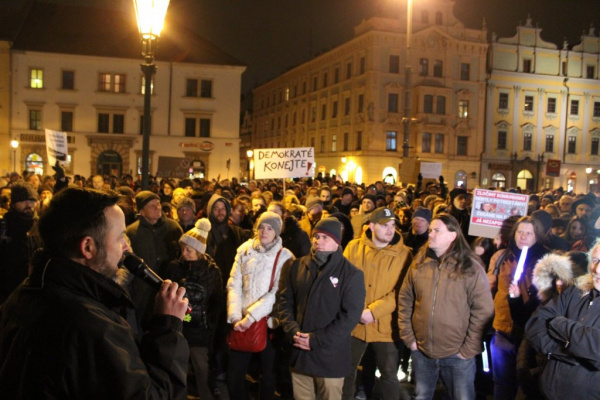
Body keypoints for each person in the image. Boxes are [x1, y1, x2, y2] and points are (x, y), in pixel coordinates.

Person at [0, 187, 190, 398]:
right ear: (88, 247)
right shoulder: (91, 327)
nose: (126, 247)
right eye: (120, 237)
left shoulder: (25, 292)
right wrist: (168, 328)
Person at [398, 213, 494, 400]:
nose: (430, 234)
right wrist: (409, 337)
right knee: (422, 396)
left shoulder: (470, 267)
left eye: (437, 231)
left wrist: (468, 348)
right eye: (431, 230)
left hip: (457, 355)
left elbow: (483, 310)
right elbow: (405, 299)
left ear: (453, 235)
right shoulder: (419, 263)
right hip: (422, 351)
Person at [278, 217, 366, 400]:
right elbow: (285, 301)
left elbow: (349, 317)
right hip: (299, 352)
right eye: (316, 236)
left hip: (330, 357)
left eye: (326, 238)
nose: (319, 241)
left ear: (337, 242)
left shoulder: (351, 274)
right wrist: (292, 331)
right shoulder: (297, 265)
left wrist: (316, 340)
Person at [341, 208, 412, 400]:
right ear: (371, 226)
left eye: (392, 225)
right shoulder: (353, 248)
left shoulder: (405, 254)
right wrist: (357, 310)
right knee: (346, 370)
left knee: (389, 374)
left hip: (386, 325)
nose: (390, 230)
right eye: (384, 225)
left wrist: (373, 312)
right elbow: (343, 281)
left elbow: (401, 291)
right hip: (354, 323)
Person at [227, 211, 294, 400]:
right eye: (261, 227)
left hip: (267, 324)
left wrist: (252, 317)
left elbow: (277, 292)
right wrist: (235, 316)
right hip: (240, 322)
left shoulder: (285, 256)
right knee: (235, 375)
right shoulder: (244, 249)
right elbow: (234, 284)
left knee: (268, 374)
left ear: (277, 232)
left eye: (270, 228)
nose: (264, 232)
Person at [525, 241, 600, 399]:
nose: (597, 269)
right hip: (547, 393)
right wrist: (574, 352)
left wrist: (558, 323)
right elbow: (535, 326)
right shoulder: (576, 291)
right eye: (595, 261)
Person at [488, 215, 550, 400]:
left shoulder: (545, 262)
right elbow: (488, 288)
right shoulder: (501, 257)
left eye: (528, 233)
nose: (523, 236)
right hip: (502, 330)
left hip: (530, 335)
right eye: (520, 232)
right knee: (501, 381)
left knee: (526, 385)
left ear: (537, 236)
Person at [165, 218, 223, 400]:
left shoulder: (212, 271)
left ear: (199, 251)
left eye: (189, 250)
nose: (184, 253)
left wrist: (209, 323)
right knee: (177, 369)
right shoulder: (175, 268)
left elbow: (217, 301)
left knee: (202, 369)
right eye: (183, 248)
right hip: (179, 326)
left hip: (199, 330)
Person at [126, 191, 183, 331]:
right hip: (142, 294)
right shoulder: (131, 232)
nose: (157, 207)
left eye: (158, 204)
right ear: (141, 211)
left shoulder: (174, 228)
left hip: (169, 291)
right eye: (152, 206)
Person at [0, 182, 40, 304]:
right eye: (23, 201)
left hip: (34, 289)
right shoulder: (4, 226)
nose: (28, 205)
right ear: (13, 203)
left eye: (32, 200)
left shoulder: (40, 225)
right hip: (8, 288)